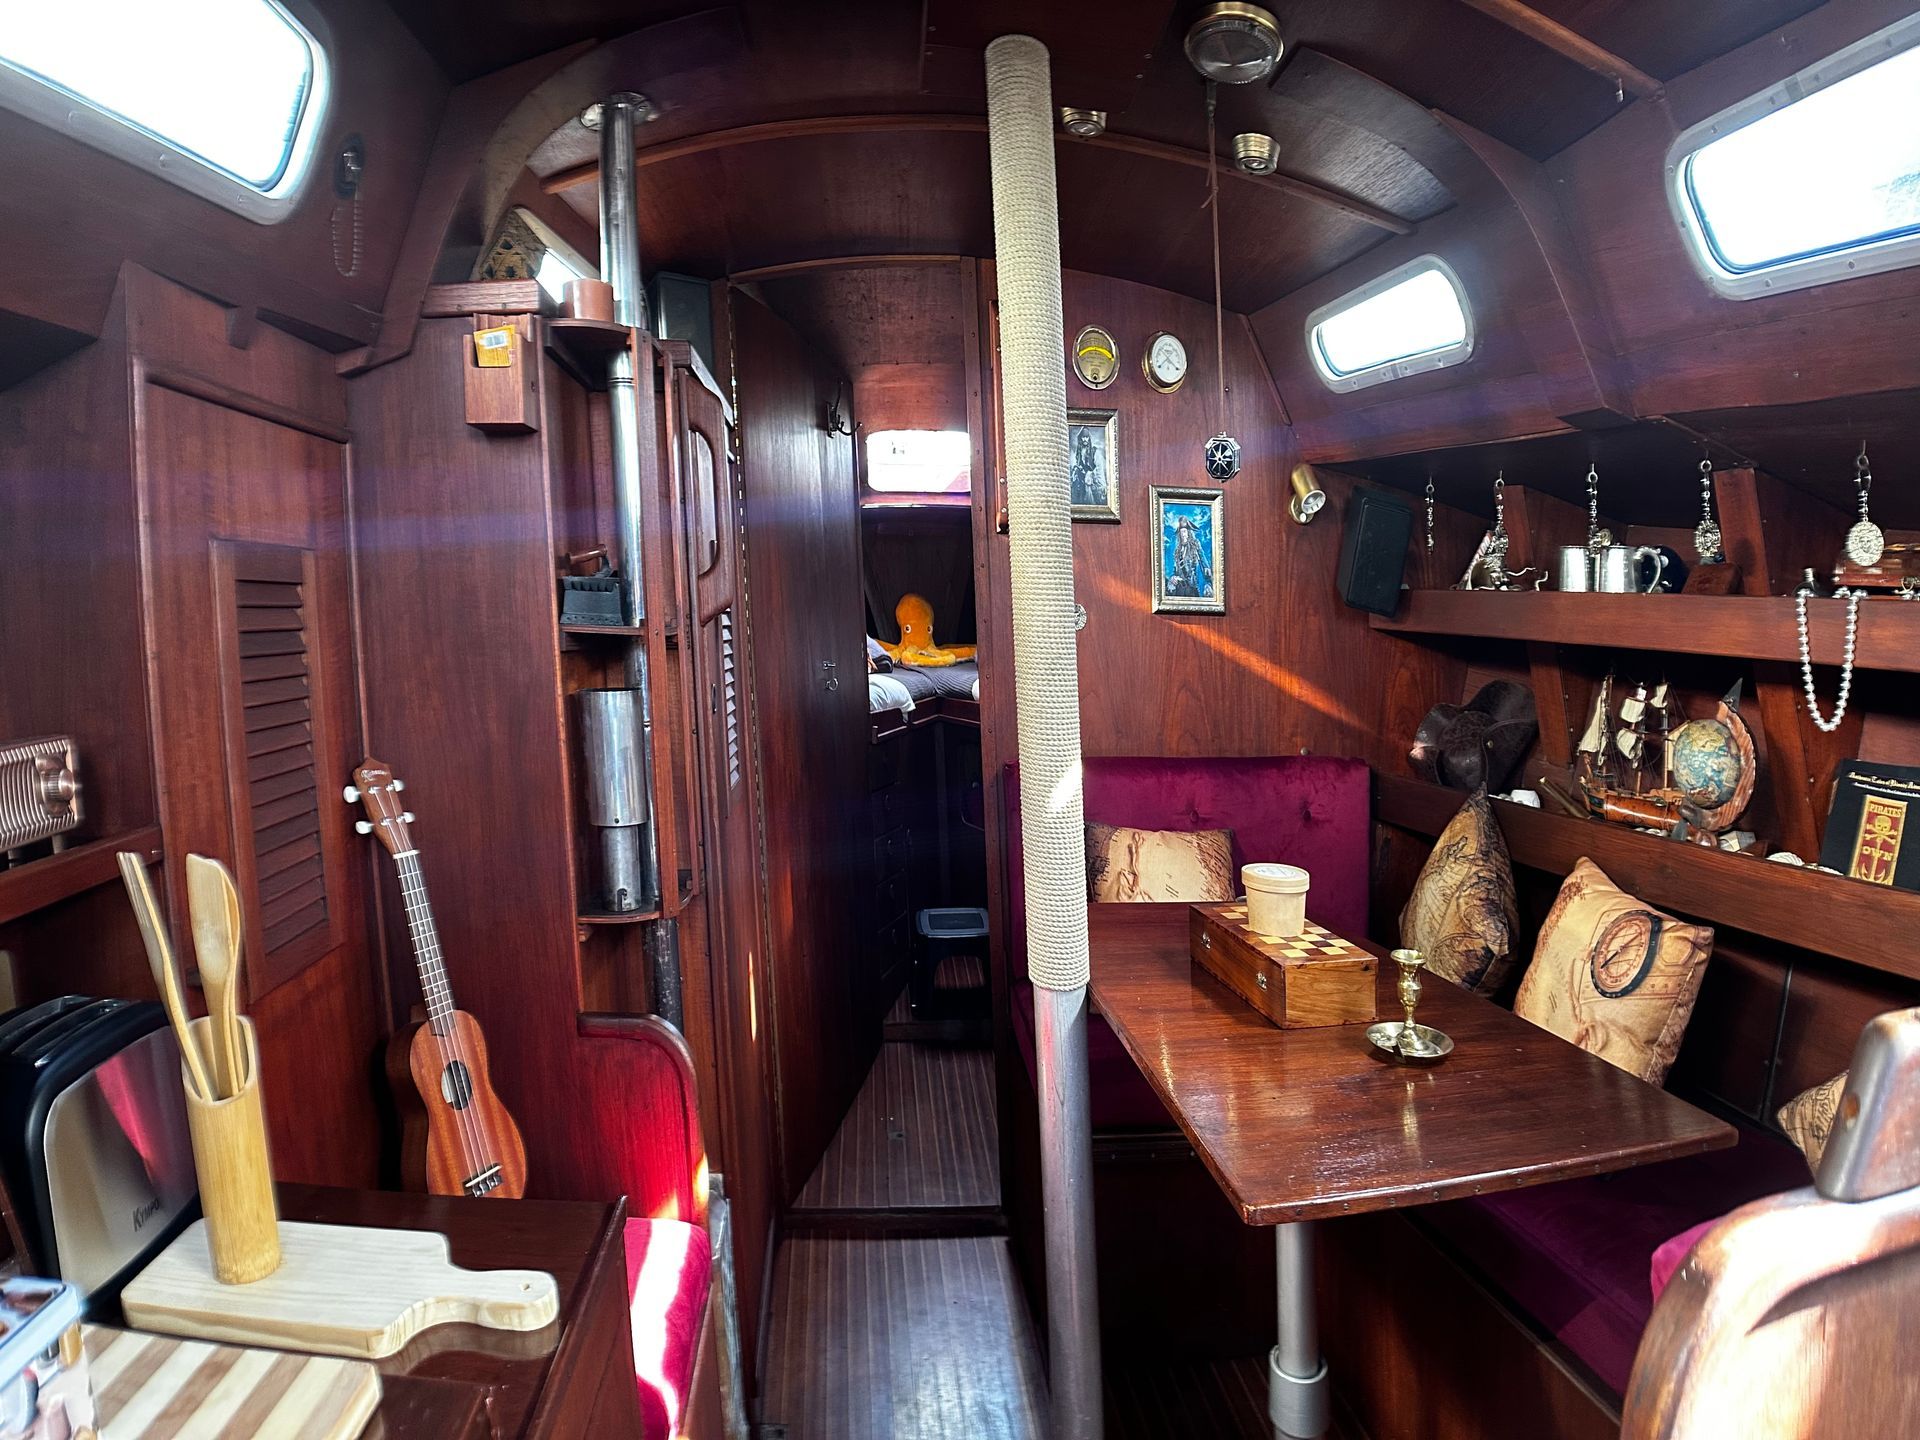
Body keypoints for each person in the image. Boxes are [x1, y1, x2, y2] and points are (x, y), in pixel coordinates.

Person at [1170, 514, 1211, 597]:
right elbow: (1174, 569)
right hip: (1181, 588)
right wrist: (1173, 577)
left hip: (1194, 586)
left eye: (1184, 531)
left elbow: (1203, 559)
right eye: (1181, 532)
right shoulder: (1178, 551)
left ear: (1189, 533)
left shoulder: (1195, 545)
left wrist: (1208, 581)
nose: (1183, 535)